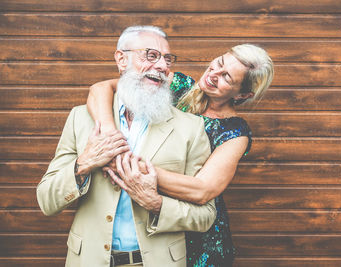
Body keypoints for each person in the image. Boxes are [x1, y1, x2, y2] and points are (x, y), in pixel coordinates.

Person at [36, 25, 217, 267]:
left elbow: (206, 216)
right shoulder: (81, 118)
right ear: (122, 59)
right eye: (151, 55)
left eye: (167, 59)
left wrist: (156, 203)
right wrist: (83, 165)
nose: (163, 66)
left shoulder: (191, 128)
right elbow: (47, 201)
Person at [87, 41, 274, 266]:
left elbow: (203, 190)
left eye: (226, 77)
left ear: (243, 94)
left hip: (201, 241)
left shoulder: (234, 132)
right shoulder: (176, 84)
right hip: (152, 235)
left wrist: (126, 166)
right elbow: (101, 89)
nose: (214, 74)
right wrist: (110, 138)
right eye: (219, 63)